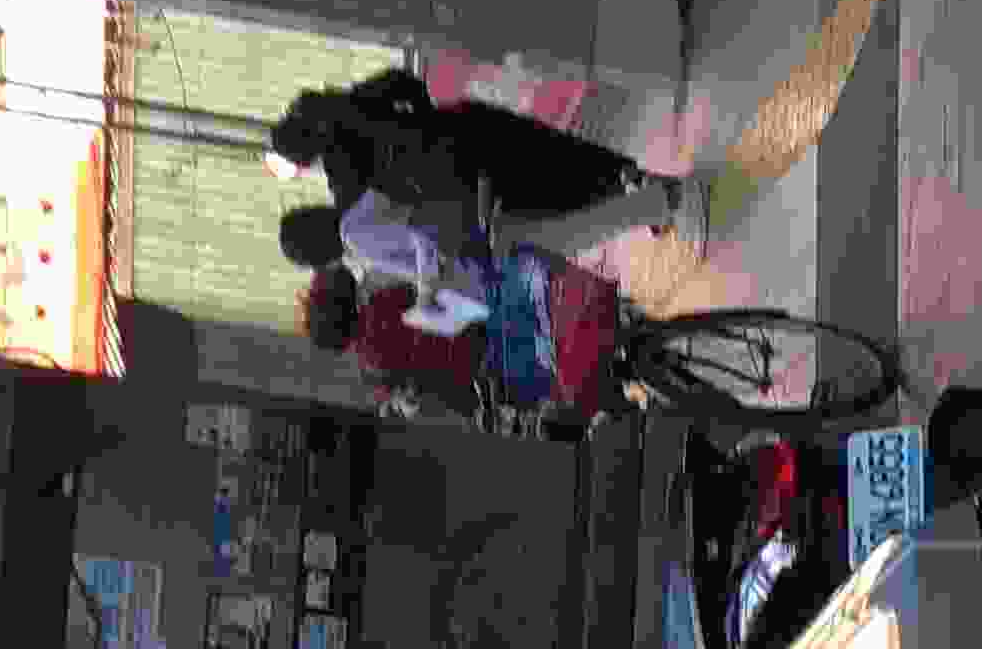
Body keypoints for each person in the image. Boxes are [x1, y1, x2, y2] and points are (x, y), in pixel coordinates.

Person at [268, 68, 691, 257]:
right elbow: (404, 82)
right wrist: (427, 124)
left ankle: (640, 202)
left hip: (462, 183)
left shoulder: (343, 180)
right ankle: (634, 175)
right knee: (559, 149)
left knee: (554, 195)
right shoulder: (351, 100)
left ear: (308, 157)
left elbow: (389, 218)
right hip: (464, 126)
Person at [275, 200, 485, 343]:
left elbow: (421, 231)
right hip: (461, 242)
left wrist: (425, 295)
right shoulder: (353, 224)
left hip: (466, 247)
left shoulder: (354, 235)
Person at [303, 262, 491, 418]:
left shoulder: (370, 370)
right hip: (474, 331)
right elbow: (426, 292)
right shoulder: (379, 304)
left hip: (468, 376)